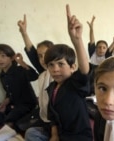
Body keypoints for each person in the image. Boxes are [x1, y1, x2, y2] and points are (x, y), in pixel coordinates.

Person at [24, 4, 93, 141]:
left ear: (72, 67)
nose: (55, 69)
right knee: (31, 133)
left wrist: (77, 40)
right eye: (51, 65)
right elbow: (53, 116)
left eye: (61, 64)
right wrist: (54, 135)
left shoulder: (75, 84)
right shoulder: (52, 88)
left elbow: (85, 70)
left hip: (77, 137)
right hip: (60, 133)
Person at [0, 44, 38, 130]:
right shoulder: (2, 75)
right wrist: (5, 103)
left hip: (26, 105)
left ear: (11, 58)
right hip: (12, 105)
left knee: (14, 116)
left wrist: (22, 63)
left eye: (3, 56)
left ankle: (10, 120)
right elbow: (9, 92)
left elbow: (34, 76)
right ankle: (8, 120)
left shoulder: (19, 70)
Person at [17, 14, 54, 126]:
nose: (43, 59)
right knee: (21, 124)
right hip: (43, 110)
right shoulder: (44, 71)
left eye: (46, 54)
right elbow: (32, 52)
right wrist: (24, 33)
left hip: (55, 115)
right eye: (40, 56)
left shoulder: (59, 72)